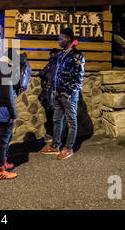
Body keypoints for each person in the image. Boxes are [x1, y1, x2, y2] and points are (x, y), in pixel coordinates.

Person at [40, 28, 85, 159]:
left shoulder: (77, 55)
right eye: (59, 38)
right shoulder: (61, 54)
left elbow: (79, 79)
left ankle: (69, 148)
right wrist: (55, 90)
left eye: (62, 38)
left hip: (68, 96)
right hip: (57, 93)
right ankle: (55, 146)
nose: (59, 40)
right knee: (56, 120)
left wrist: (67, 93)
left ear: (69, 39)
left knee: (71, 121)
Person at [0, 50, 18, 180]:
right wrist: (14, 113)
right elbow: (8, 95)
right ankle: (0, 170)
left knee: (3, 139)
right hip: (4, 109)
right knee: (3, 140)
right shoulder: (5, 70)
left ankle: (3, 163)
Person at [37, 48, 60, 143]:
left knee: (55, 116)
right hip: (47, 93)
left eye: (52, 55)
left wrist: (46, 75)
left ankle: (55, 136)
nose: (51, 57)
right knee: (50, 115)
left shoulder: (58, 65)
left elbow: (49, 76)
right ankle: (50, 134)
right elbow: (41, 73)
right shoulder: (50, 65)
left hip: (54, 94)